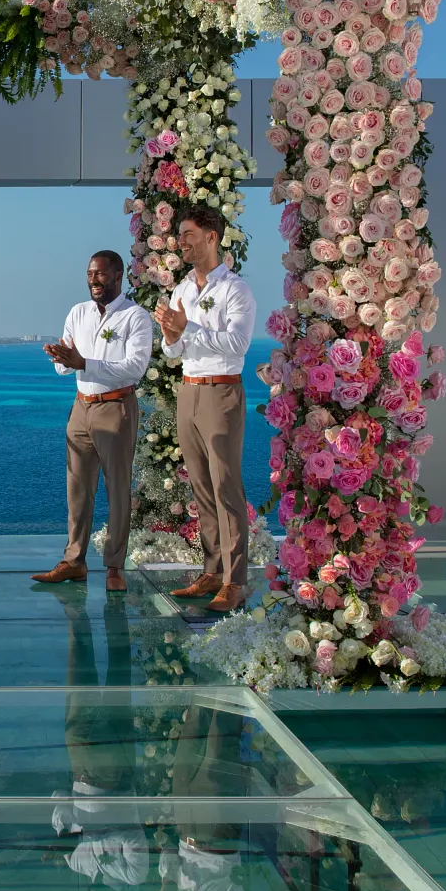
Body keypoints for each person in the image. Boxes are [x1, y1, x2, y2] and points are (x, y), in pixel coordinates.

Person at [154, 205, 257, 610]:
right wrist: (170, 334)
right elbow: (174, 351)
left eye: (188, 234)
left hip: (221, 393)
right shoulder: (181, 290)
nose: (182, 241)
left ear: (212, 237)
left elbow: (237, 345)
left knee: (226, 486)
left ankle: (236, 581)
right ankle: (213, 571)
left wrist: (187, 328)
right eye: (180, 234)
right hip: (189, 390)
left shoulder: (236, 290)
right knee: (200, 486)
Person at [34, 250, 153, 591]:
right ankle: (74, 561)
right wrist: (62, 358)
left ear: (118, 276)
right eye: (90, 274)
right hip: (80, 407)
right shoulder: (78, 313)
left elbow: (134, 368)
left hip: (116, 408)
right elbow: (64, 365)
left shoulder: (136, 317)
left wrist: (83, 362)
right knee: (78, 490)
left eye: (100, 274)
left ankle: (115, 567)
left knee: (117, 489)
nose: (93, 280)